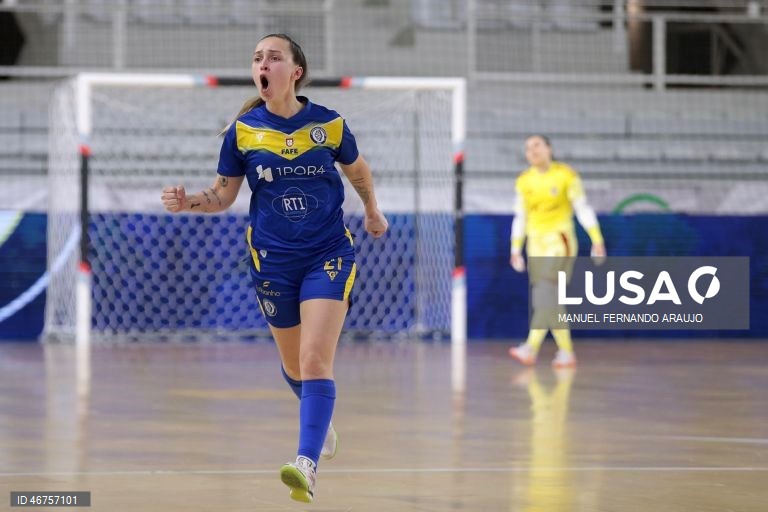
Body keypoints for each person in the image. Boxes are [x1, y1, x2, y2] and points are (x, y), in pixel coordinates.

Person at [161, 33, 388, 503]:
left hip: (328, 253)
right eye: (257, 58)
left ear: (295, 71)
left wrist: (371, 210)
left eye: (273, 57)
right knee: (293, 367)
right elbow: (223, 195)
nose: (262, 64)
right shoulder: (242, 131)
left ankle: (305, 464)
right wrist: (190, 203)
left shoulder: (329, 124)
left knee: (313, 359)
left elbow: (359, 170)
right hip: (272, 261)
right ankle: (320, 423)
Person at [508, 135, 605, 368]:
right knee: (548, 298)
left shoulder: (565, 175)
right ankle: (565, 351)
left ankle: (531, 347)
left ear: (549, 148)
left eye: (537, 145)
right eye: (528, 148)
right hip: (536, 243)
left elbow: (582, 208)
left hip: (559, 240)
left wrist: (597, 240)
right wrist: (515, 249)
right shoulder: (523, 181)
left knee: (546, 292)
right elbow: (521, 217)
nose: (532, 151)